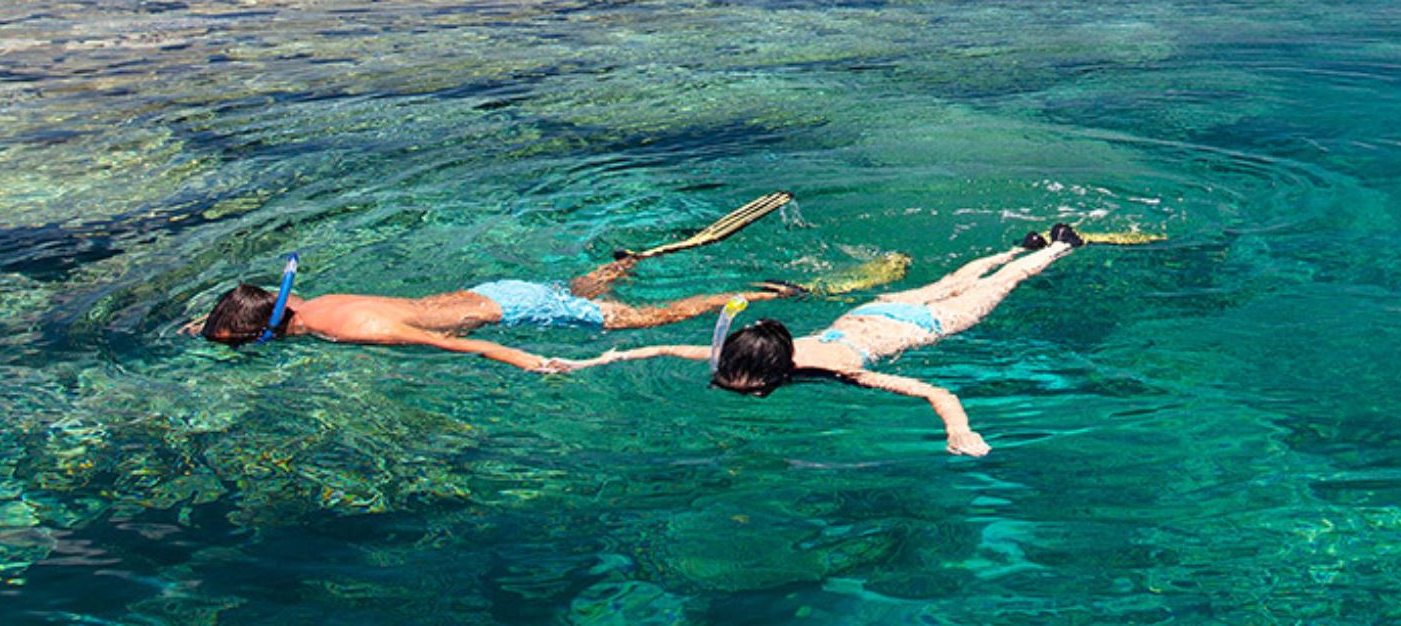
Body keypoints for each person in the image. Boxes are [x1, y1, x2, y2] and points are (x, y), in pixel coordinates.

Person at [557, 223, 1089, 456]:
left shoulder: (839, 371)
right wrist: (591, 362)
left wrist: (960, 434)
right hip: (878, 314)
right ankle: (1018, 246)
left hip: (919, 326)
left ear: (776, 374)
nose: (743, 389)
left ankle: (1056, 247)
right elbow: (661, 346)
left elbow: (937, 393)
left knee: (991, 287)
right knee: (953, 281)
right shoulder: (737, 353)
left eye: (748, 389)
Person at [190, 194, 801, 372]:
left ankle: (753, 292)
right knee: (580, 293)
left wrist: (526, 362)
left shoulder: (355, 329)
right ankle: (625, 261)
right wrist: (206, 326)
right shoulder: (312, 304)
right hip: (497, 290)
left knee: (647, 318)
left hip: (511, 317)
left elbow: (460, 346)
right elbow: (247, 316)